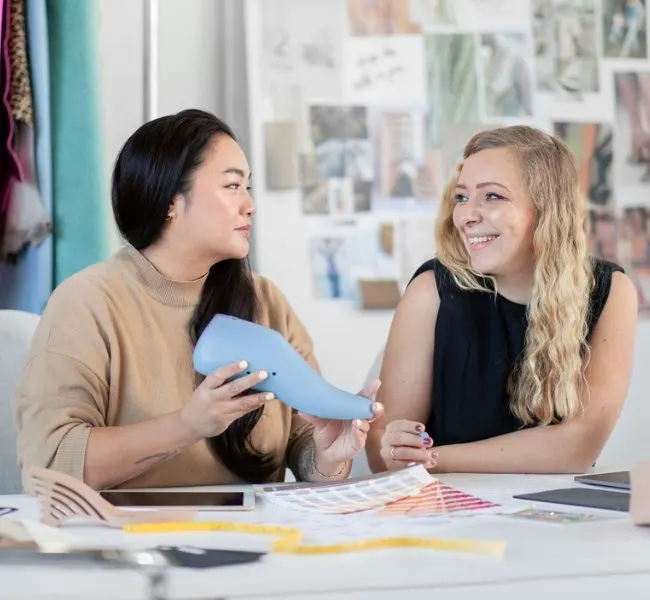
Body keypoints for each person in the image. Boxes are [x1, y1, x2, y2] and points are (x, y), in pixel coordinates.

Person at [13, 109, 382, 491]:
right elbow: (51, 463)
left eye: (248, 187)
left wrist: (328, 456)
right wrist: (187, 426)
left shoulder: (265, 301)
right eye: (232, 186)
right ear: (171, 199)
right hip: (129, 544)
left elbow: (303, 446)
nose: (250, 205)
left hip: (259, 542)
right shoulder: (86, 303)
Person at [366, 125, 637, 474]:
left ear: (545, 208)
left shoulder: (610, 290)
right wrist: (395, 449)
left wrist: (433, 458)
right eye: (462, 197)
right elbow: (384, 456)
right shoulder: (431, 290)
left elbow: (576, 448)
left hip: (554, 514)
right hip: (448, 511)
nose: (466, 215)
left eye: (492, 196)